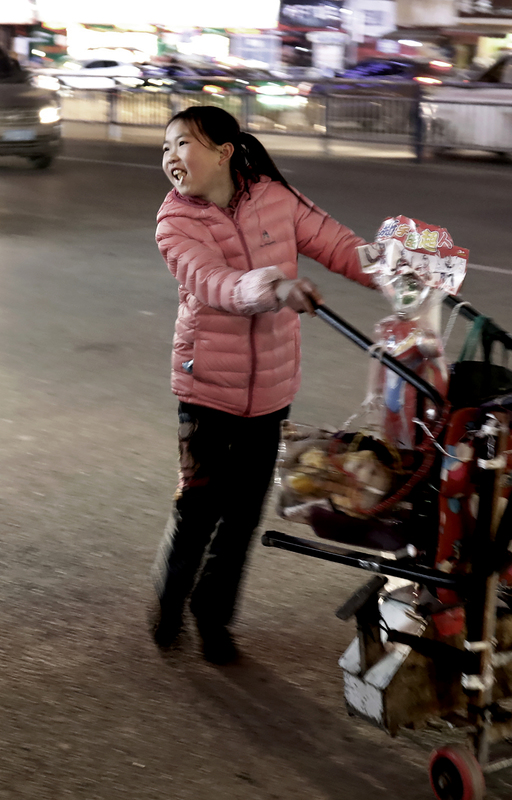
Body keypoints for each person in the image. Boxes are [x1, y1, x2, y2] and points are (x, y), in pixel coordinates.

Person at [150, 105, 377, 664]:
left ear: (224, 150)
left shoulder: (275, 197)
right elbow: (214, 283)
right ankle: (170, 600)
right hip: (206, 390)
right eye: (166, 148)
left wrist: (402, 269)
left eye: (183, 143)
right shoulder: (175, 222)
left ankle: (213, 615)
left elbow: (340, 246)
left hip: (272, 392)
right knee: (199, 509)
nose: (171, 156)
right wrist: (276, 288)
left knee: (244, 514)